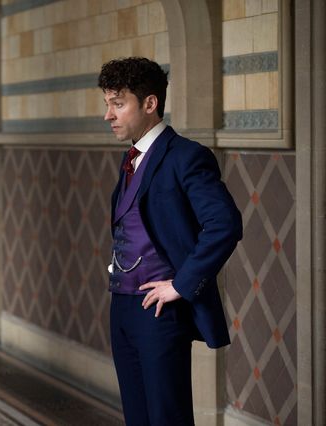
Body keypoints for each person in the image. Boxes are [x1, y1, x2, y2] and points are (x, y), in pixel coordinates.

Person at [100, 57, 242, 425]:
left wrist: (181, 284)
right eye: (107, 104)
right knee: (137, 416)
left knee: (167, 417)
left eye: (118, 104)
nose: (108, 115)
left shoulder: (187, 156)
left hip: (160, 311)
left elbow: (225, 224)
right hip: (122, 306)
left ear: (150, 103)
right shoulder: (131, 158)